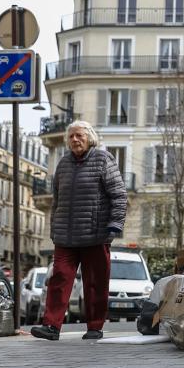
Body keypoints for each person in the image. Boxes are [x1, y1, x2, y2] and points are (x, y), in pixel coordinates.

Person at [31, 121, 127, 341]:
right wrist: (54, 228)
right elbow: (57, 201)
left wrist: (115, 224)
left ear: (89, 137)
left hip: (96, 233)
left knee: (95, 283)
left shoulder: (103, 159)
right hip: (65, 236)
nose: (75, 140)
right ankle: (51, 326)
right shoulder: (63, 164)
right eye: (71, 136)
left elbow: (119, 195)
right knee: (59, 279)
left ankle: (95, 326)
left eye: (79, 136)